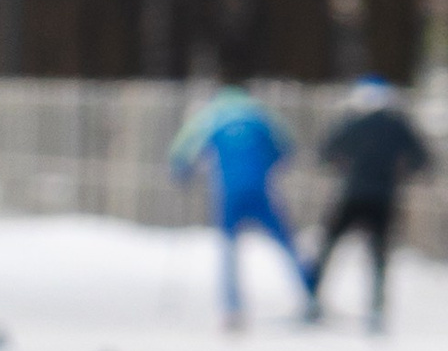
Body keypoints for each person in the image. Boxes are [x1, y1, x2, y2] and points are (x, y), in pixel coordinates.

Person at [169, 77, 310, 332]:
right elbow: (287, 148)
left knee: (229, 250)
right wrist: (268, 165)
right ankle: (309, 295)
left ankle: (232, 309)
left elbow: (182, 152)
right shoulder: (260, 115)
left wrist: (182, 173)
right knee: (286, 243)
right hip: (261, 190)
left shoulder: (212, 117)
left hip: (228, 193)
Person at [305, 75, 430, 332]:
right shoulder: (397, 125)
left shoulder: (354, 123)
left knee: (329, 248)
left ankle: (313, 300)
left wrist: (342, 165)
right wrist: (403, 172)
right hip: (384, 197)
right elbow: (422, 158)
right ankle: (376, 310)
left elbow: (326, 151)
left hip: (352, 195)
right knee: (378, 256)